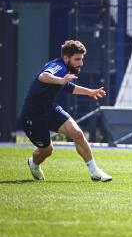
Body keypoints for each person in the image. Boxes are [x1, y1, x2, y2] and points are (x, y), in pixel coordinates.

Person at [20, 40, 112, 182]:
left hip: (50, 109)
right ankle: (33, 163)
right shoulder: (59, 66)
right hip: (33, 116)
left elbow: (69, 87)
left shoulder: (64, 70)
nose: (81, 63)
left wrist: (90, 92)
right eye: (77, 59)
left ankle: (95, 172)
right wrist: (61, 81)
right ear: (66, 58)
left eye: (82, 59)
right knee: (47, 151)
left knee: (77, 133)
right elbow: (43, 76)